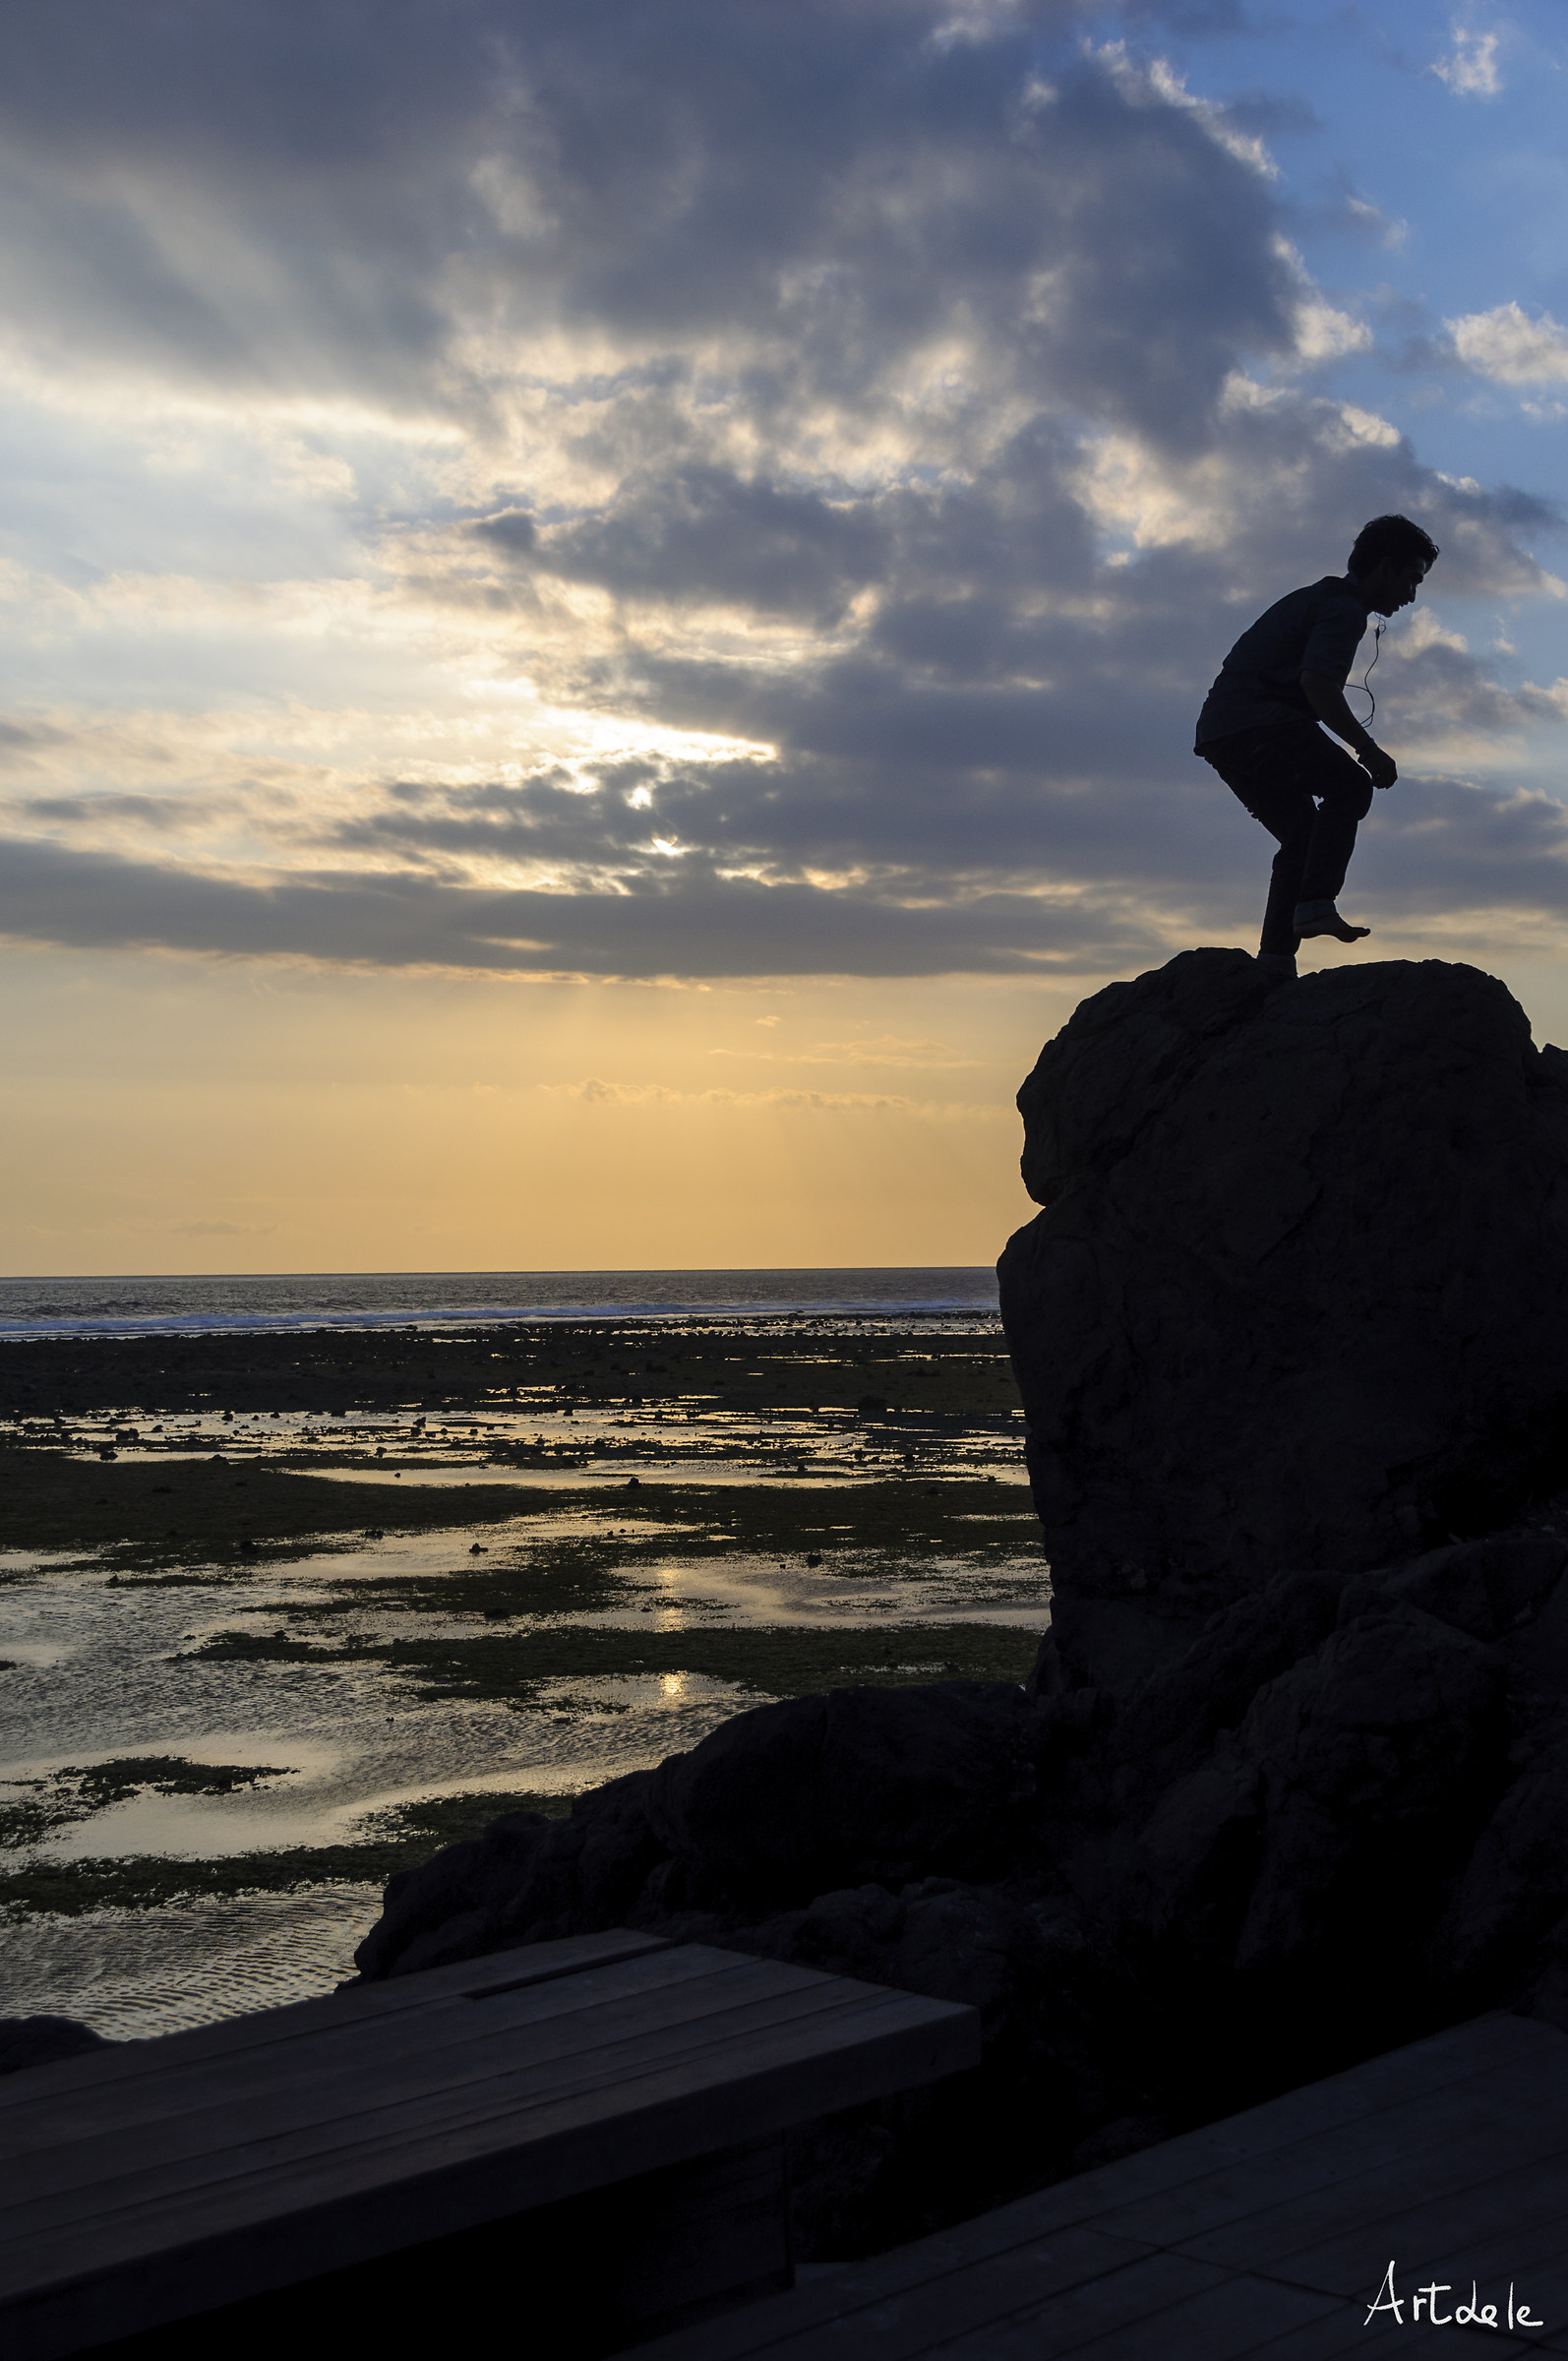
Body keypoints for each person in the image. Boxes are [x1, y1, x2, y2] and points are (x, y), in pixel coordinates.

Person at [1195, 514, 1438, 978]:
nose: (1411, 595)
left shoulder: (1318, 598)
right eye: (1411, 579)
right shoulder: (1343, 609)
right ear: (1384, 568)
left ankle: (1274, 961)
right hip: (1255, 722)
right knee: (1350, 788)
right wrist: (1368, 751)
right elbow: (1318, 686)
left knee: (1304, 836)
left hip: (1220, 733)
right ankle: (1315, 904)